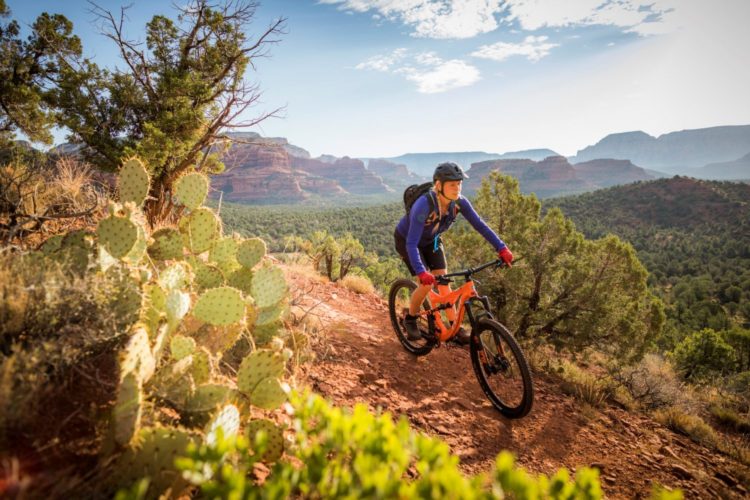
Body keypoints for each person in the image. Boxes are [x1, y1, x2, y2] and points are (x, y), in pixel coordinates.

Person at [394, 162, 513, 344]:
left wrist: (501, 247)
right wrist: (421, 272)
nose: (457, 188)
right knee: (425, 285)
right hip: (407, 240)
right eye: (452, 184)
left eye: (459, 183)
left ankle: (454, 327)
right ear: (438, 185)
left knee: (444, 280)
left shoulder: (459, 202)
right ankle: (410, 318)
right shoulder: (424, 205)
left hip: (431, 240)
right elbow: (411, 242)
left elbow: (480, 225)